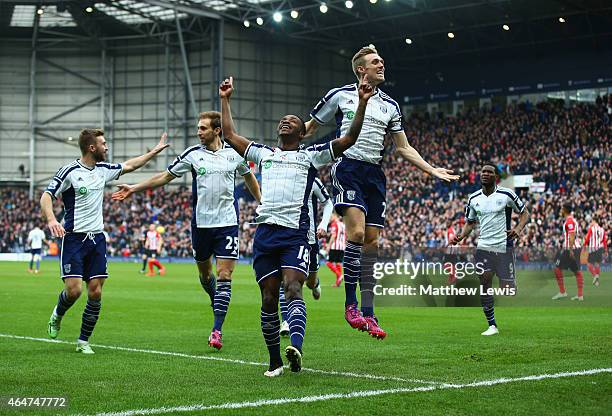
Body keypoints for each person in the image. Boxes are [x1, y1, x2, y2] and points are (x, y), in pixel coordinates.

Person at [219, 75, 373, 377]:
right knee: (267, 297)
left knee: (292, 289)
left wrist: (363, 104)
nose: (285, 122)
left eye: (292, 121)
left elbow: (349, 140)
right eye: (283, 120)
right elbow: (230, 134)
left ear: (302, 133)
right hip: (265, 233)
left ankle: (296, 348)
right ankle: (274, 360)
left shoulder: (311, 157)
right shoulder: (264, 155)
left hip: (295, 234)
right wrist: (225, 99)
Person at [305, 45, 459, 339]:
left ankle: (370, 312)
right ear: (361, 69)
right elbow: (311, 127)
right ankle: (350, 306)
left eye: (382, 61)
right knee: (358, 234)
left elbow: (403, 147)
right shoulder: (340, 95)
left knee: (372, 245)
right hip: (348, 166)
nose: (381, 64)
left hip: (375, 174)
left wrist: (431, 169)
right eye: (376, 61)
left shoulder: (391, 105)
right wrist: (288, 151)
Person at [112, 111, 261, 350]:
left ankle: (216, 330)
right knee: (205, 275)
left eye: (203, 128)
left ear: (217, 130)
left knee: (224, 277)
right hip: (201, 226)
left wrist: (261, 202)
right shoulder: (192, 155)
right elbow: (164, 177)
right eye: (198, 128)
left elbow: (249, 178)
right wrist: (134, 188)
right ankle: (215, 299)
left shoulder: (234, 155)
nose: (198, 132)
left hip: (227, 224)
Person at [42, 128, 169, 354]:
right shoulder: (69, 171)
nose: (107, 147)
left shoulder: (103, 170)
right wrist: (52, 219)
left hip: (97, 239)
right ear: (92, 148)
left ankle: (83, 341)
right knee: (73, 291)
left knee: (96, 292)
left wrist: (154, 152)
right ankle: (57, 315)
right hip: (73, 239)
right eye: (103, 144)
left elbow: (130, 165)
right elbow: (46, 196)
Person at [450, 164, 529, 336]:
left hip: (504, 247)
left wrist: (518, 229)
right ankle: (492, 325)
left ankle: (506, 281)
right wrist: (461, 236)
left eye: (489, 172)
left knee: (508, 289)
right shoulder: (473, 198)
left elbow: (525, 213)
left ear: (495, 177)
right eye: (483, 172)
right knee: (485, 282)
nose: (485, 174)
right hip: (484, 247)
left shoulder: (507, 194)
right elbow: (470, 223)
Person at [279, 177, 333, 336]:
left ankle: (315, 283)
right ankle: (286, 320)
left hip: (311, 239)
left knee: (309, 282)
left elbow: (328, 203)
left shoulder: (313, 180)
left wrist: (323, 224)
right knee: (287, 281)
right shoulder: (282, 177)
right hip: (290, 239)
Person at [552, 204, 584, 301]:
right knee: (577, 271)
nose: (560, 210)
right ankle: (580, 295)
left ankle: (562, 292)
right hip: (575, 248)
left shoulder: (569, 221)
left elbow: (572, 235)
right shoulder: (571, 220)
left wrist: (570, 250)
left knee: (557, 268)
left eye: (561, 208)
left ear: (565, 210)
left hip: (571, 249)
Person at [583, 214, 607, 287]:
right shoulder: (602, 230)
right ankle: (597, 282)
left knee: (588, 263)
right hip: (600, 248)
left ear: (594, 221)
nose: (591, 222)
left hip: (593, 247)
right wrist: (605, 250)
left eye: (592, 221)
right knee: (597, 264)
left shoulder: (592, 228)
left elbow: (587, 238)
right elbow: (604, 240)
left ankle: (595, 275)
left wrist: (584, 245)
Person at [326, 213, 346, 287]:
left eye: (331, 216)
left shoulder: (334, 224)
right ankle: (338, 283)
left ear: (335, 216)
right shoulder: (343, 225)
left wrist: (329, 246)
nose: (330, 218)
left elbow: (334, 235)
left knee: (328, 263)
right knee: (338, 263)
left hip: (335, 246)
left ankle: (340, 275)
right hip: (342, 247)